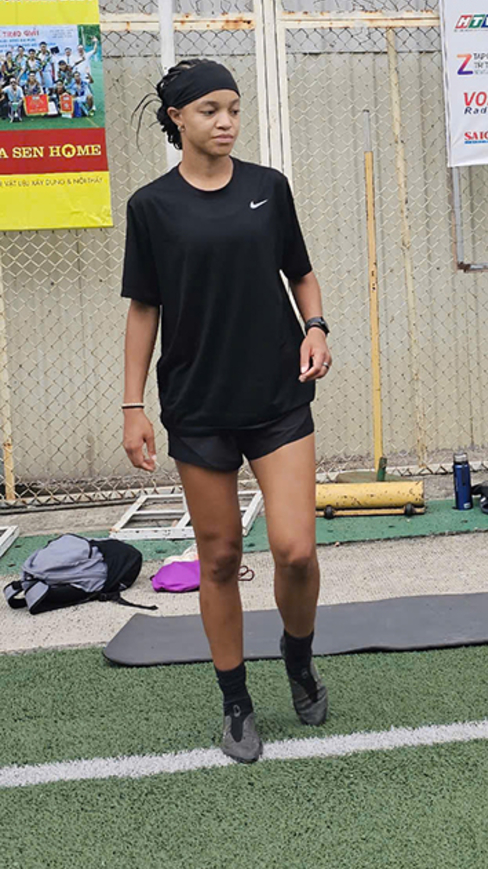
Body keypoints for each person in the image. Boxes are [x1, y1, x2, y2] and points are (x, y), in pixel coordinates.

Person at [122, 59, 332, 763]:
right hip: (198, 406)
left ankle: (298, 660)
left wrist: (316, 326)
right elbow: (144, 307)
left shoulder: (268, 189)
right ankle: (236, 702)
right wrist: (133, 406)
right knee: (219, 559)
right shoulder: (151, 207)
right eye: (210, 109)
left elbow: (299, 272)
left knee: (295, 551)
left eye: (234, 108)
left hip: (276, 398)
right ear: (177, 117)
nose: (226, 121)